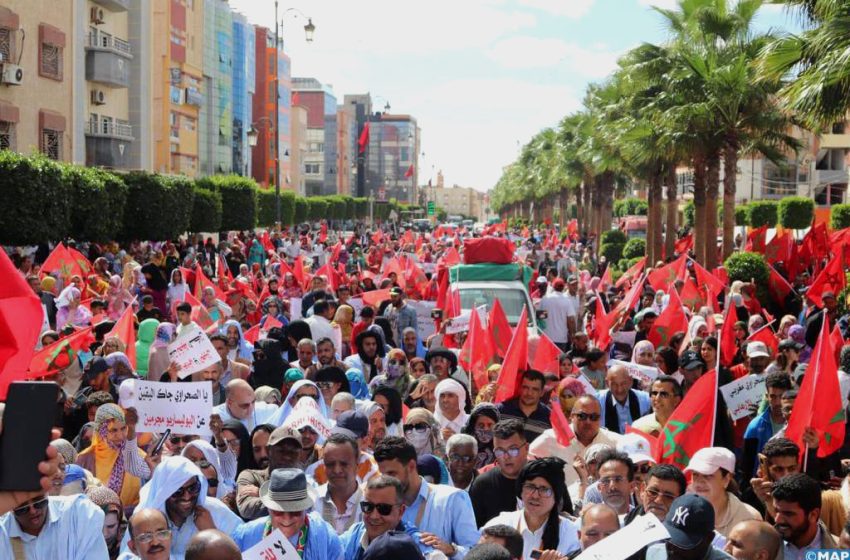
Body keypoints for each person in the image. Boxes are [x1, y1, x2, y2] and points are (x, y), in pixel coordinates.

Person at [119, 456, 241, 560]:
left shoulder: (214, 510)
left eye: (193, 488)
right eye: (178, 491)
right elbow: (129, 556)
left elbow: (244, 547)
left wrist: (212, 531)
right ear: (164, 492)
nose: (187, 496)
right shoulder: (145, 516)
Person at [374, 437, 479, 558]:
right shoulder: (378, 505)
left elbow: (474, 553)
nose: (386, 480)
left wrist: (452, 550)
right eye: (383, 475)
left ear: (411, 466)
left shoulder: (452, 499)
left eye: (392, 474)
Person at [529, 395, 622, 502]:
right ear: (571, 416)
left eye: (593, 417)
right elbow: (526, 462)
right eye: (582, 416)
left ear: (600, 419)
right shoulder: (552, 438)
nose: (588, 421)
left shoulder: (615, 442)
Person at [483, 457, 580, 559]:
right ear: (521, 490)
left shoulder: (570, 533)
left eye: (544, 489)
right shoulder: (500, 525)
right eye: (530, 487)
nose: (535, 496)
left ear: (556, 496)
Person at [233, 468, 342, 559]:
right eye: (278, 512)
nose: (287, 519)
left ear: (305, 508)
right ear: (269, 508)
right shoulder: (245, 537)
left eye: (295, 512)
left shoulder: (326, 539)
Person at [340, 475, 447, 559]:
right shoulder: (353, 535)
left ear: (401, 511)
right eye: (368, 507)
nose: (374, 516)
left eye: (384, 509)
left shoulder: (421, 548)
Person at [76, 403, 151, 512]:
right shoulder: (84, 460)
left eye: (123, 428)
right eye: (113, 430)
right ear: (102, 431)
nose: (120, 436)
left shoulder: (141, 458)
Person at [0, 493, 110, 559]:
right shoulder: (3, 533)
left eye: (38, 501)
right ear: (10, 508)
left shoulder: (78, 515)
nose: (33, 511)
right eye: (23, 508)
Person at [685, 448, 761, 539]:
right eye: (695, 474)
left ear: (726, 479)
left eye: (708, 475)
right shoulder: (681, 510)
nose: (699, 482)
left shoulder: (749, 518)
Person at [470, 419, 530, 527]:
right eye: (500, 451)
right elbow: (475, 531)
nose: (506, 457)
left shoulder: (544, 479)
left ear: (526, 448)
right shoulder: (482, 484)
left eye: (513, 450)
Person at [236, 426, 303, 520]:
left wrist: (263, 494)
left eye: (293, 452)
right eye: (281, 451)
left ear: (300, 455)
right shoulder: (251, 476)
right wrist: (292, 500)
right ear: (269, 451)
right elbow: (246, 509)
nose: (287, 456)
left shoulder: (307, 481)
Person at [645, 494, 735, 560]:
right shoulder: (655, 553)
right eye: (669, 538)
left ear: (709, 539)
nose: (672, 549)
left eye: (682, 543)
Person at [772, 473, 838, 557]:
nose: (777, 520)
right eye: (776, 511)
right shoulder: (763, 547)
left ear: (813, 515)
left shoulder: (842, 551)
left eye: (788, 513)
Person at [741, 372, 793, 479]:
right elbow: (747, 468)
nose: (778, 402)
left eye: (781, 396)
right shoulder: (754, 427)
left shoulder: (801, 423)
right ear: (767, 396)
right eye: (773, 397)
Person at [314, 432, 365, 534]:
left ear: (357, 465)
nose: (337, 470)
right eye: (330, 464)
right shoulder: (312, 501)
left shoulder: (370, 503)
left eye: (344, 464)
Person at [496, 369, 552, 443]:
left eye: (535, 389)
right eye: (525, 387)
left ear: (542, 392)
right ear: (519, 388)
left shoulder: (549, 416)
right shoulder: (501, 410)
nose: (529, 393)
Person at [597, 365, 651, 435]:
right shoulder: (597, 401)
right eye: (614, 384)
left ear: (631, 381)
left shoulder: (646, 400)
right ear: (607, 383)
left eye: (623, 383)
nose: (619, 389)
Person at [212, 379, 278, 432]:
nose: (251, 409)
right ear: (229, 403)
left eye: (253, 402)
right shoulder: (214, 416)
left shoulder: (268, 410)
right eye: (244, 405)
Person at [537, 278, 577, 351]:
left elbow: (540, 317)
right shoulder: (567, 301)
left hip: (547, 337)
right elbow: (571, 320)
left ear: (553, 286)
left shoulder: (545, 299)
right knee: (559, 361)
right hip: (561, 338)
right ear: (563, 287)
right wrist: (572, 335)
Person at [594, 449, 636, 518]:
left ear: (632, 486)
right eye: (606, 481)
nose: (612, 486)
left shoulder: (643, 521)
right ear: (599, 488)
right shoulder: (586, 523)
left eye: (618, 479)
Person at [462, 403, 500, 469]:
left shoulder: (501, 447)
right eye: (481, 425)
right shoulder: (463, 445)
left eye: (490, 425)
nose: (486, 429)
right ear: (473, 426)